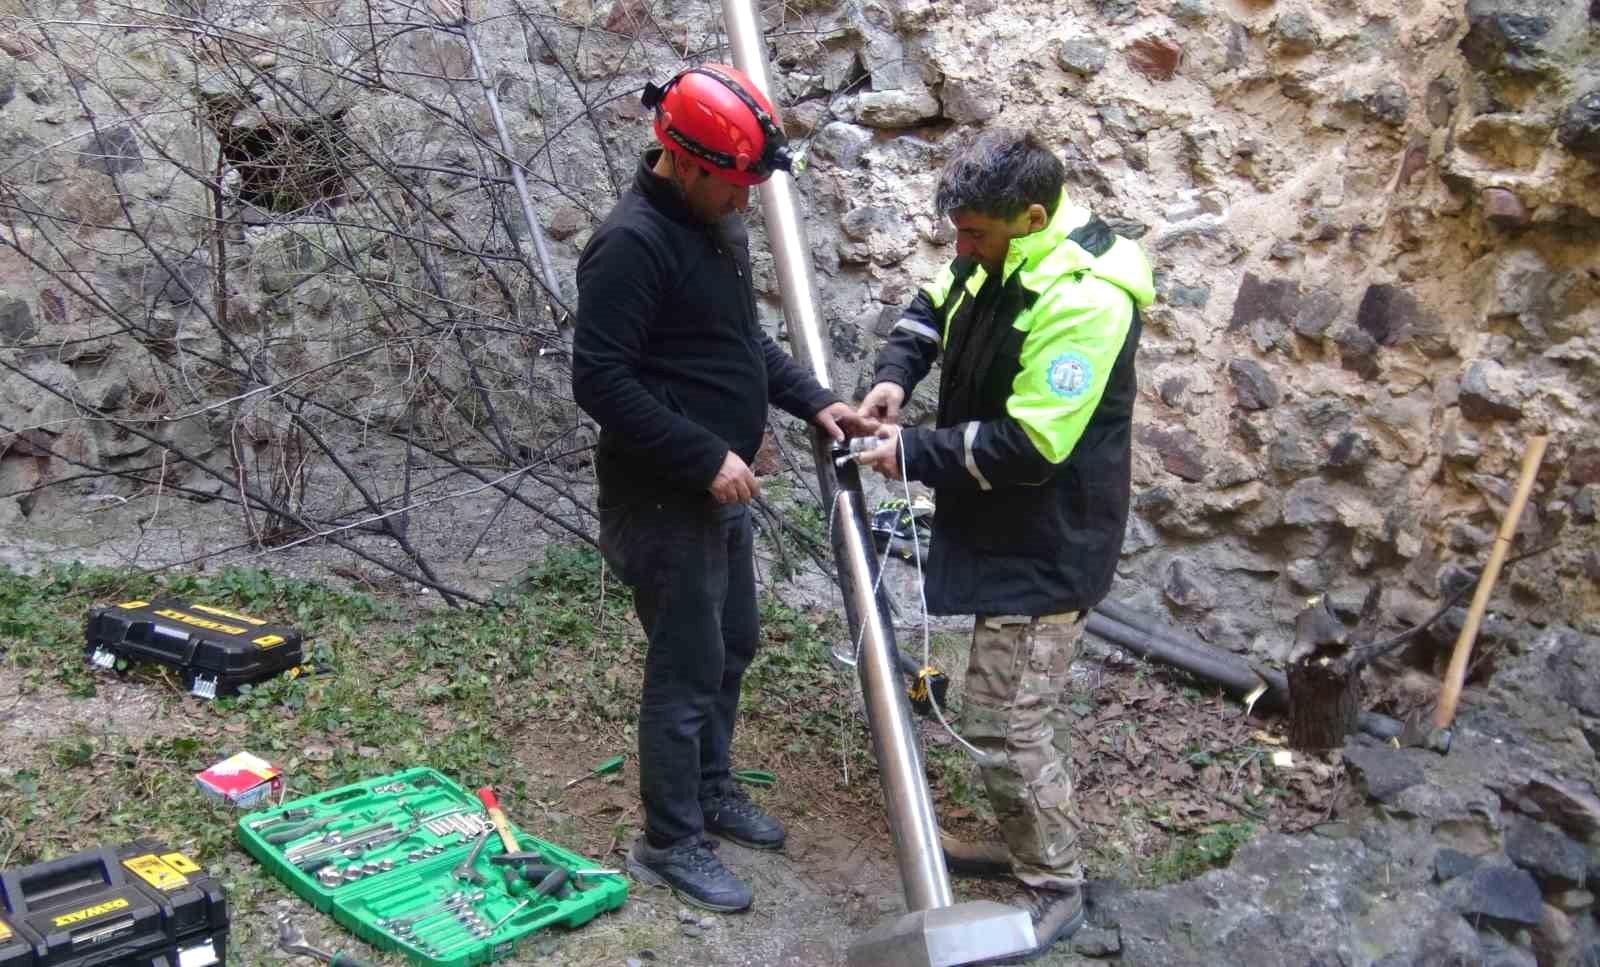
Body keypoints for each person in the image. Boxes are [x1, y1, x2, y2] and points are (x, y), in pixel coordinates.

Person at [571, 63, 874, 913]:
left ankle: (711, 785)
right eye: (737, 186)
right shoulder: (630, 244)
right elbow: (599, 379)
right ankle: (671, 839)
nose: (746, 202)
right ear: (691, 164)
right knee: (685, 666)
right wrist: (705, 454)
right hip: (662, 500)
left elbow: (741, 347)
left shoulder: (714, 227)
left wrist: (816, 401)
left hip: (717, 497)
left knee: (732, 642)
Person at [854, 127, 1154, 957]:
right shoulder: (997, 256)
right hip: (1004, 526)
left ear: (1029, 215)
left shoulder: (1086, 296)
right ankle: (1029, 843)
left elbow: (1030, 444)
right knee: (1011, 715)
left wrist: (909, 452)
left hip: (1049, 538)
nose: (960, 248)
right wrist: (894, 376)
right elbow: (932, 302)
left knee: (1005, 722)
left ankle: (1054, 882)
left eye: (974, 233)